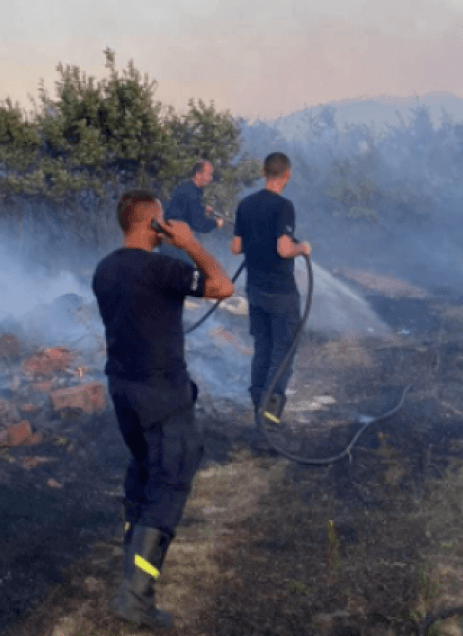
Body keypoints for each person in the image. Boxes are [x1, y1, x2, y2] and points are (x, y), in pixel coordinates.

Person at [93, 189, 234, 629]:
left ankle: (130, 575)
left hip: (123, 391)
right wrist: (190, 243)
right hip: (162, 395)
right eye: (161, 220)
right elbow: (222, 286)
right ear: (152, 223)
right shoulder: (161, 268)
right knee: (170, 481)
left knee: (143, 477)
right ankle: (136, 596)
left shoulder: (105, 270)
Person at [230, 152, 312, 426]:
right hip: (281, 292)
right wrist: (303, 249)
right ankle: (270, 411)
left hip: (254, 290)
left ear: (263, 173)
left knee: (262, 347)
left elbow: (236, 247)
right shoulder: (284, 206)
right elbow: (283, 248)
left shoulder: (245, 204)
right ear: (286, 175)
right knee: (283, 349)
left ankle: (258, 404)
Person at [158, 160, 225, 264]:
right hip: (177, 247)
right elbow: (199, 225)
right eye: (209, 174)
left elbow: (184, 211)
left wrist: (202, 209)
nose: (211, 178)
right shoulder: (193, 194)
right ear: (198, 175)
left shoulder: (185, 188)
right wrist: (216, 223)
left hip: (167, 244)